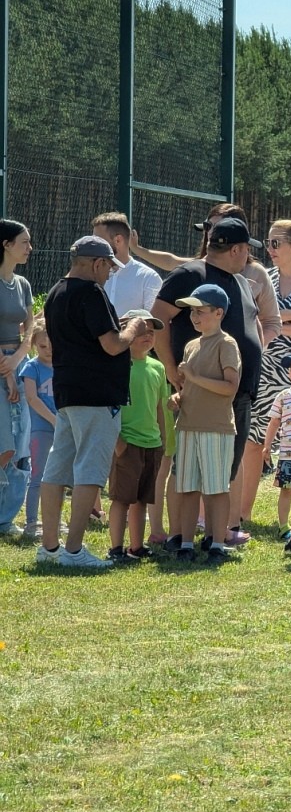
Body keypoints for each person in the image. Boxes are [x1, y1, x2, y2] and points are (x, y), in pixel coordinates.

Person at [151, 217, 265, 549]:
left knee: (223, 468)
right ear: (238, 249)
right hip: (199, 392)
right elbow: (158, 319)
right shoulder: (191, 274)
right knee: (185, 468)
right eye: (246, 250)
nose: (248, 256)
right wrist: (172, 370)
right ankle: (178, 534)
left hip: (237, 394)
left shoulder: (239, 281)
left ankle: (217, 534)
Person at [36, 236, 149, 568]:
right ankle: (73, 551)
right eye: (110, 267)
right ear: (98, 263)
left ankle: (50, 547)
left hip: (67, 390)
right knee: (89, 470)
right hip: (97, 394)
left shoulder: (56, 292)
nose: (110, 273)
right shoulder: (92, 292)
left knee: (57, 469)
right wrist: (133, 329)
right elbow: (113, 345)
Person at [241, 218, 291, 526]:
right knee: (252, 440)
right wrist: (290, 322)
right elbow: (254, 316)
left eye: (276, 243)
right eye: (268, 243)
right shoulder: (264, 278)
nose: (269, 249)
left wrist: (280, 318)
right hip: (261, 364)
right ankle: (242, 513)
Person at [169, 284, 241, 563]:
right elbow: (189, 388)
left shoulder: (227, 344)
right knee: (187, 488)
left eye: (200, 311)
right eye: (192, 312)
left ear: (219, 312)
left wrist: (194, 377)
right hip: (187, 426)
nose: (194, 317)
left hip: (216, 427)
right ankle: (187, 543)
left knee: (216, 488)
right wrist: (178, 397)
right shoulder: (191, 346)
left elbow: (230, 387)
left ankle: (217, 546)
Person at [106, 309, 167, 563]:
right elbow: (108, 405)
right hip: (127, 442)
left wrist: (162, 440)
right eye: (141, 331)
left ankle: (136, 546)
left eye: (151, 332)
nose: (147, 336)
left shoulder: (158, 367)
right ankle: (116, 548)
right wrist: (118, 441)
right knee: (122, 499)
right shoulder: (116, 366)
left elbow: (159, 407)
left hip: (151, 443)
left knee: (142, 499)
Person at [0, 220, 36, 533]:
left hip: (18, 364)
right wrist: (6, 369)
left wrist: (17, 361)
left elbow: (30, 327)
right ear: (6, 245)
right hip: (3, 367)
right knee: (4, 444)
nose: (29, 248)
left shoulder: (23, 284)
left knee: (21, 444)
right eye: (24, 242)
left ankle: (6, 517)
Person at [262, 350, 291, 552]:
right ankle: (283, 526)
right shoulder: (284, 396)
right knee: (286, 490)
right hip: (287, 453)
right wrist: (267, 445)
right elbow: (274, 422)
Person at [19, 320, 56, 538]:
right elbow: (32, 399)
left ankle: (53, 521)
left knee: (57, 477)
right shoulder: (31, 367)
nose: (49, 350)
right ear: (34, 345)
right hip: (41, 429)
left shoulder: (62, 365)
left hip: (61, 427)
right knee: (37, 475)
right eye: (43, 346)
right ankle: (31, 522)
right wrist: (53, 419)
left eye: (52, 345)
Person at [95, 212, 161, 314]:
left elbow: (153, 323)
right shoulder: (91, 275)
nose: (93, 244)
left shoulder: (148, 278)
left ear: (118, 240)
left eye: (99, 240)